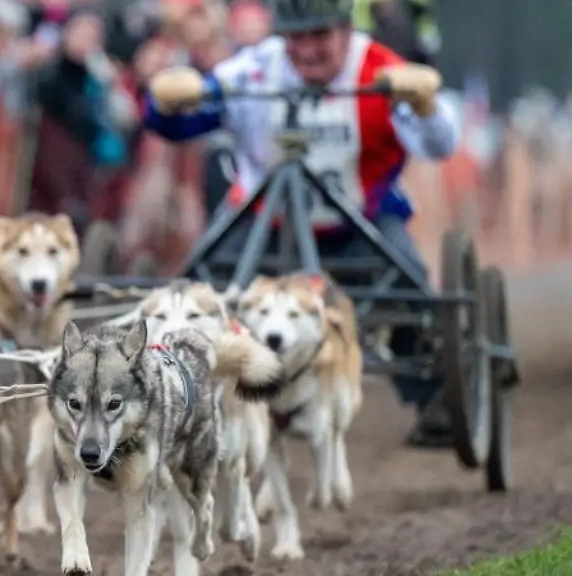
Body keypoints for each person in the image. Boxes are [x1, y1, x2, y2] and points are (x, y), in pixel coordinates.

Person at [144, 0, 460, 448]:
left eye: (320, 37)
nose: (308, 50)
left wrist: (425, 105)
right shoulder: (256, 69)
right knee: (197, 293)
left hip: (358, 222)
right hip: (262, 223)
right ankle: (176, 393)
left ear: (346, 30)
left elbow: (441, 143)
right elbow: (180, 122)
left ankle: (436, 399)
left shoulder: (379, 68)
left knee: (410, 291)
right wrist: (165, 100)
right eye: (297, 38)